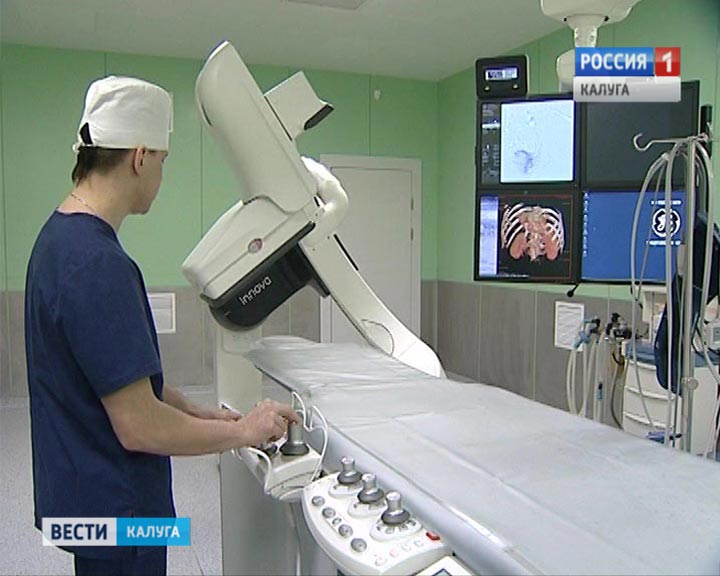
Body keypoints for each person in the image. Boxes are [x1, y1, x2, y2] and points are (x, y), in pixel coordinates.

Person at [24, 76, 300, 576]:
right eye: (163, 161)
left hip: (83, 508)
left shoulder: (56, 240)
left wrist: (197, 412)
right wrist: (244, 431)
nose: (161, 175)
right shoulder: (98, 264)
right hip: (122, 517)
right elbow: (139, 426)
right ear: (139, 156)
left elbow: (115, 380)